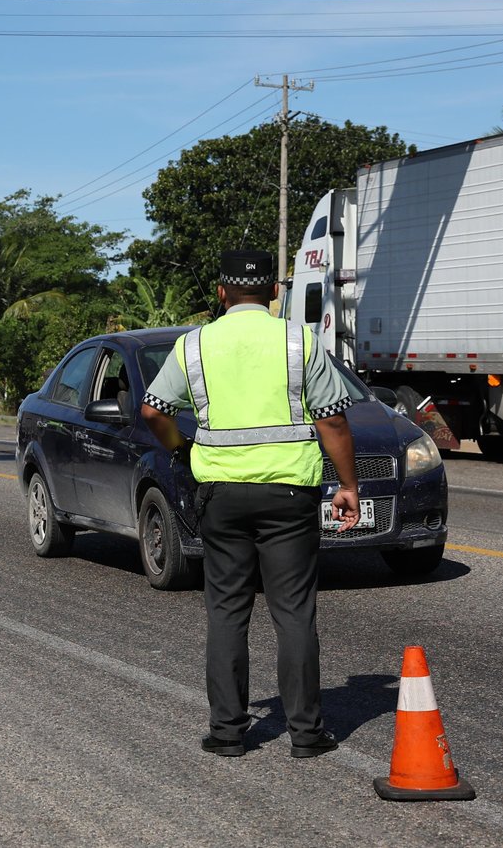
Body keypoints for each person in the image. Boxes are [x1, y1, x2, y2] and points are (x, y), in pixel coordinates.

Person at [139, 250, 360, 760]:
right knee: (294, 613)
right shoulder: (299, 340)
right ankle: (306, 735)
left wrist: (181, 447)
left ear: (222, 292)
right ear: (275, 293)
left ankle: (228, 732)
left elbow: (153, 410)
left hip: (221, 496)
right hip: (289, 495)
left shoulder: (193, 345)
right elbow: (332, 419)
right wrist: (347, 484)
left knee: (226, 611)